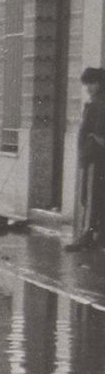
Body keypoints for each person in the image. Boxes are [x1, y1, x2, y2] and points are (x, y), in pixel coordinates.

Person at [66, 67, 105, 251]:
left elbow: (96, 132)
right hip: (93, 155)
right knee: (93, 196)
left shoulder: (98, 104)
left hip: (94, 157)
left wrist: (91, 140)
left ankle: (86, 236)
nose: (89, 87)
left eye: (92, 83)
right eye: (87, 84)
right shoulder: (96, 102)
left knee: (90, 196)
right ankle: (91, 235)